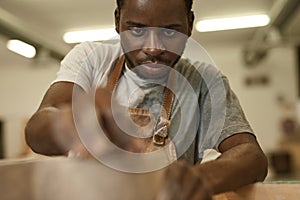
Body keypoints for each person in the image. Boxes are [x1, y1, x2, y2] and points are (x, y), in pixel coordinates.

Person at [25, 0, 268, 199]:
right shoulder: (91, 60)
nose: (153, 48)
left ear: (190, 24)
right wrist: (64, 125)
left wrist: (201, 178)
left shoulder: (203, 82)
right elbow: (37, 129)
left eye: (170, 31)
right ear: (118, 20)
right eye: (137, 30)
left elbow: (250, 155)